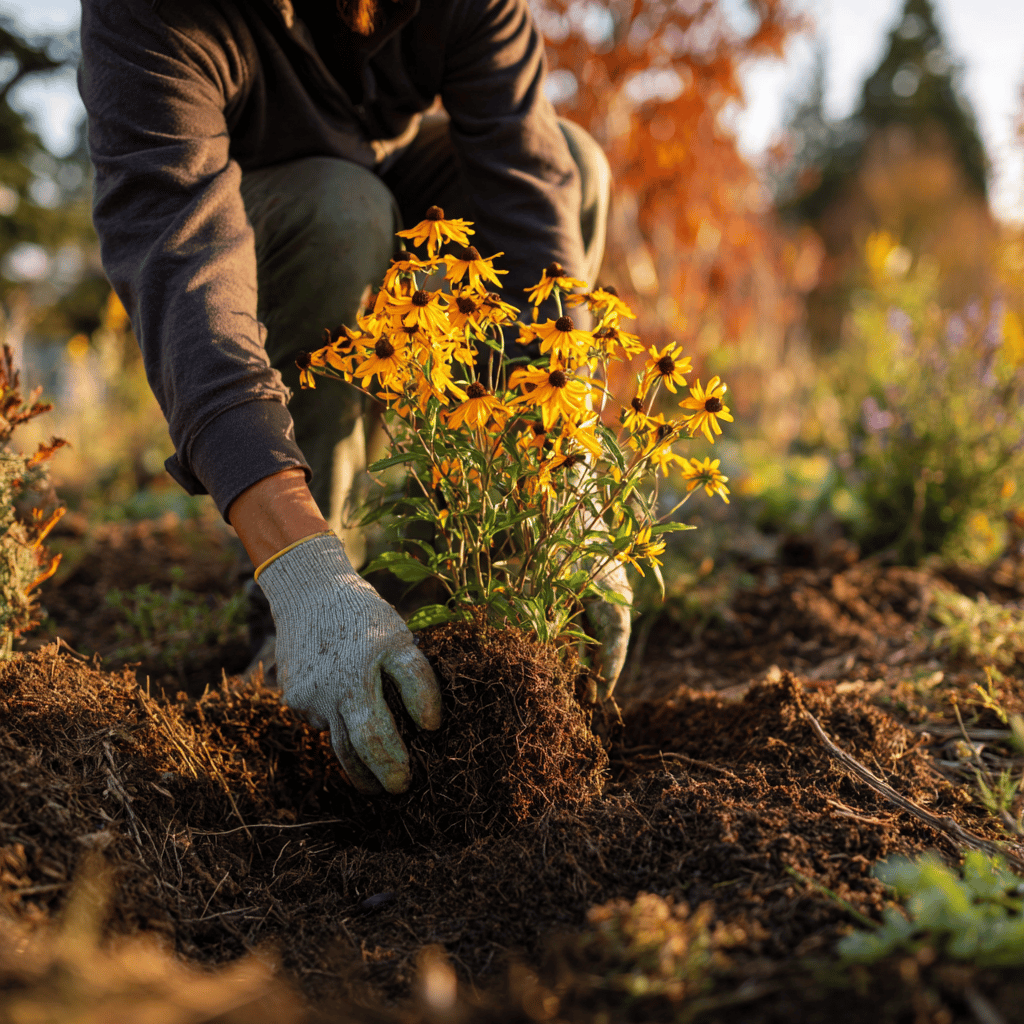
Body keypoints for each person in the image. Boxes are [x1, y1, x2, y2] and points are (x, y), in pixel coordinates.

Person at [78, 0, 630, 797]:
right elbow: (184, 274)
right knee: (342, 211)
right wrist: (303, 574)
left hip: (380, 175)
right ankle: (306, 612)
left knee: (574, 161)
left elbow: (527, 193)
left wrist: (565, 469)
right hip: (253, 228)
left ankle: (460, 595)